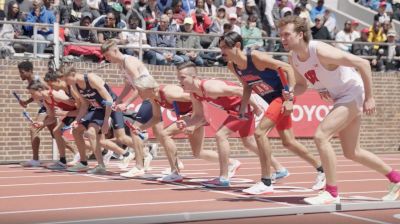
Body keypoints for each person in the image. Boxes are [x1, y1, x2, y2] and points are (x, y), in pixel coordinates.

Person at [278, 15, 400, 204]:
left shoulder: (320, 50)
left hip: (353, 93)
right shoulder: (294, 57)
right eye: (281, 35)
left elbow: (363, 63)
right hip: (341, 97)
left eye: (286, 35)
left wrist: (370, 97)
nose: (282, 39)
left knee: (321, 136)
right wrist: (292, 92)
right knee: (352, 152)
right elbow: (302, 84)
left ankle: (332, 193)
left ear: (300, 34)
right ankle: (396, 178)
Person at [219, 31, 326, 195]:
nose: (222, 52)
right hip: (272, 100)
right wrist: (242, 108)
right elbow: (247, 86)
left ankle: (266, 181)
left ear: (238, 46)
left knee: (259, 133)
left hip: (282, 97)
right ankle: (322, 169)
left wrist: (289, 98)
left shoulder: (254, 57)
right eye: (220, 48)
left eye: (225, 47)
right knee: (288, 142)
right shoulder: (232, 66)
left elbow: (288, 68)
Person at [175, 61, 289, 188]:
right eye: (178, 78)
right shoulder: (194, 93)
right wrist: (186, 122)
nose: (179, 81)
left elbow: (240, 90)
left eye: (182, 78)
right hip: (236, 110)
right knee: (249, 142)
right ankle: (280, 168)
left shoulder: (210, 87)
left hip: (242, 108)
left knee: (220, 135)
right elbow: (198, 116)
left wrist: (255, 106)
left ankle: (224, 177)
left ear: (194, 77)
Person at [133, 75, 239, 183]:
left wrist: (196, 120)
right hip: (190, 117)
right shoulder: (153, 98)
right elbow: (156, 117)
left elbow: (197, 97)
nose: (138, 93)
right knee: (198, 153)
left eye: (139, 90)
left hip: (197, 115)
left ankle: (175, 172)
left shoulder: (168, 93)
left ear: (149, 88)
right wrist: (141, 128)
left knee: (164, 134)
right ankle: (231, 162)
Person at [60, 65, 135, 174]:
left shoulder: (91, 79)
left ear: (72, 75)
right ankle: (87, 163)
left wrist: (105, 122)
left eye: (66, 80)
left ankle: (144, 151)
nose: (66, 83)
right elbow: (85, 104)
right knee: (79, 131)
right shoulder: (75, 86)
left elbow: (109, 99)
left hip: (112, 106)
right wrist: (77, 119)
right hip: (99, 109)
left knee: (121, 137)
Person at [101, 40, 159, 177]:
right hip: (148, 97)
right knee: (161, 133)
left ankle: (139, 166)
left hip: (151, 97)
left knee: (134, 130)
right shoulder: (121, 65)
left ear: (115, 51)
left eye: (107, 55)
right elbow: (128, 85)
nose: (106, 59)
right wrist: (119, 100)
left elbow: (139, 86)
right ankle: (176, 164)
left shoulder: (129, 62)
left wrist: (126, 104)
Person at [17, 61, 78, 167]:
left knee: (34, 129)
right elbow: (39, 97)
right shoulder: (34, 86)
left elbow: (48, 92)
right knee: (56, 133)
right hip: (48, 107)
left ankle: (36, 159)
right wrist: (26, 103)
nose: (20, 75)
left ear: (30, 71)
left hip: (52, 108)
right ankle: (73, 155)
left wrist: (62, 109)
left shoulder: (40, 82)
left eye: (22, 72)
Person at [27, 77, 78, 170]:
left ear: (39, 90)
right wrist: (41, 123)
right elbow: (51, 118)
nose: (32, 96)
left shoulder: (56, 95)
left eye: (32, 93)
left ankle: (82, 157)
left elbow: (77, 104)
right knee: (56, 131)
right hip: (70, 114)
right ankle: (63, 162)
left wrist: (64, 113)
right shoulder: (46, 101)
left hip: (79, 112)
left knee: (90, 136)